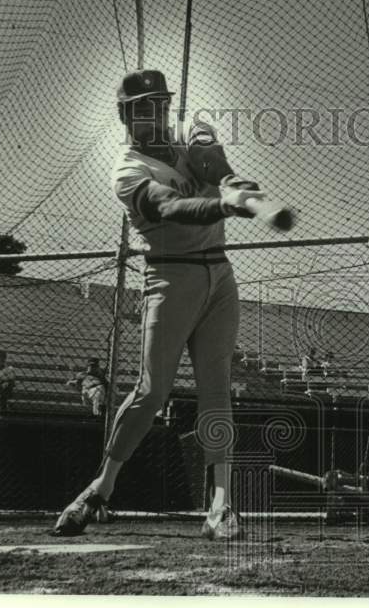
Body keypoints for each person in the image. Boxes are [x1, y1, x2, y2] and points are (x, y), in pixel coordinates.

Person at [53, 69, 263, 539]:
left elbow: (209, 159)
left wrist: (229, 181)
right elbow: (168, 206)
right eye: (144, 105)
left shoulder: (192, 130)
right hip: (170, 276)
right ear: (125, 113)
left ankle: (221, 505)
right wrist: (222, 206)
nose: (157, 111)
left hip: (219, 275)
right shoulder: (126, 171)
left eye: (162, 102)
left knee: (217, 389)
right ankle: (100, 489)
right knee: (152, 392)